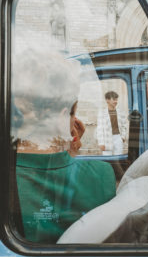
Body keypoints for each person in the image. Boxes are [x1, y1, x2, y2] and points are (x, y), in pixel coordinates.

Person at [12, 48, 116, 243]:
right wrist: (69, 157)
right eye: (72, 112)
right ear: (61, 115)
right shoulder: (102, 175)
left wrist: (66, 153)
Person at [97, 91, 128, 155]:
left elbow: (124, 125)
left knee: (119, 158)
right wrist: (101, 143)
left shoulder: (120, 112)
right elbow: (100, 129)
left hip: (118, 138)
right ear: (107, 100)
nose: (116, 101)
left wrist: (123, 137)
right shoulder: (102, 113)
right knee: (107, 158)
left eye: (116, 99)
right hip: (107, 139)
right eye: (114, 99)